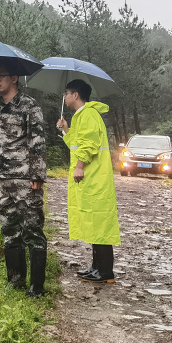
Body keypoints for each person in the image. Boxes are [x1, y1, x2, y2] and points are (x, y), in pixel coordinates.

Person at [0, 65, 48, 297]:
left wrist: (37, 175)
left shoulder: (29, 105)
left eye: (1, 77)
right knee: (10, 231)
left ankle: (37, 287)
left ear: (14, 78)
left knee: (32, 231)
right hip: (3, 178)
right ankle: (15, 280)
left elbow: (37, 141)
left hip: (25, 178)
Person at [56, 78, 120, 283]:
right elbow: (77, 144)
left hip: (95, 177)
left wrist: (80, 166)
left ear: (75, 95)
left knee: (100, 223)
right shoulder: (80, 116)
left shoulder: (89, 114)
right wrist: (66, 129)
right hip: (91, 178)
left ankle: (105, 272)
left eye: (67, 93)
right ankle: (96, 267)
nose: (65, 97)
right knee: (94, 223)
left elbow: (89, 145)